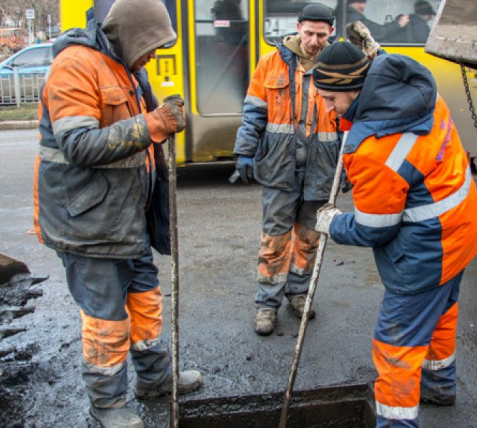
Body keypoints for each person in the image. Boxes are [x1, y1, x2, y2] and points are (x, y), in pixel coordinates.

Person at [33, 1, 203, 427]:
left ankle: (155, 379)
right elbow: (78, 145)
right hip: (88, 224)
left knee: (145, 302)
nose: (153, 57)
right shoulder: (75, 66)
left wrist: (155, 118)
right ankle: (106, 404)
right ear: (131, 34)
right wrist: (154, 123)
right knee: (107, 320)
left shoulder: (126, 67)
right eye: (151, 46)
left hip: (127, 218)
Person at [312, 41, 477, 427]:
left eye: (330, 99)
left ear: (355, 90)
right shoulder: (418, 94)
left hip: (428, 250)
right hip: (462, 229)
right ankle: (439, 385)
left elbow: (375, 228)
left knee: (396, 347)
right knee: (441, 313)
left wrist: (332, 221)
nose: (326, 108)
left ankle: (395, 422)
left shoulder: (376, 149)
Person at [233, 3, 340, 336]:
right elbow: (254, 113)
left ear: (331, 33)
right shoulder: (270, 62)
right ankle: (267, 304)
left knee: (308, 240)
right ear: (297, 28)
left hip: (322, 171)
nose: (313, 40)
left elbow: (352, 123)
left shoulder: (339, 65)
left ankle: (299, 295)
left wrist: (349, 168)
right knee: (274, 240)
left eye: (321, 35)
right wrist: (245, 152)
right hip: (280, 170)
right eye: (308, 33)